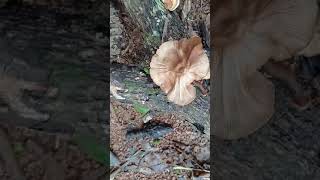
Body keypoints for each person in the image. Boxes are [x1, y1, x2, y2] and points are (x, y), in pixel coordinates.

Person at [211, 0, 319, 139]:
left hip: (247, 34)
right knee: (269, 58)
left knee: (272, 55)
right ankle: (298, 88)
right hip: (246, 36)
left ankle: (298, 88)